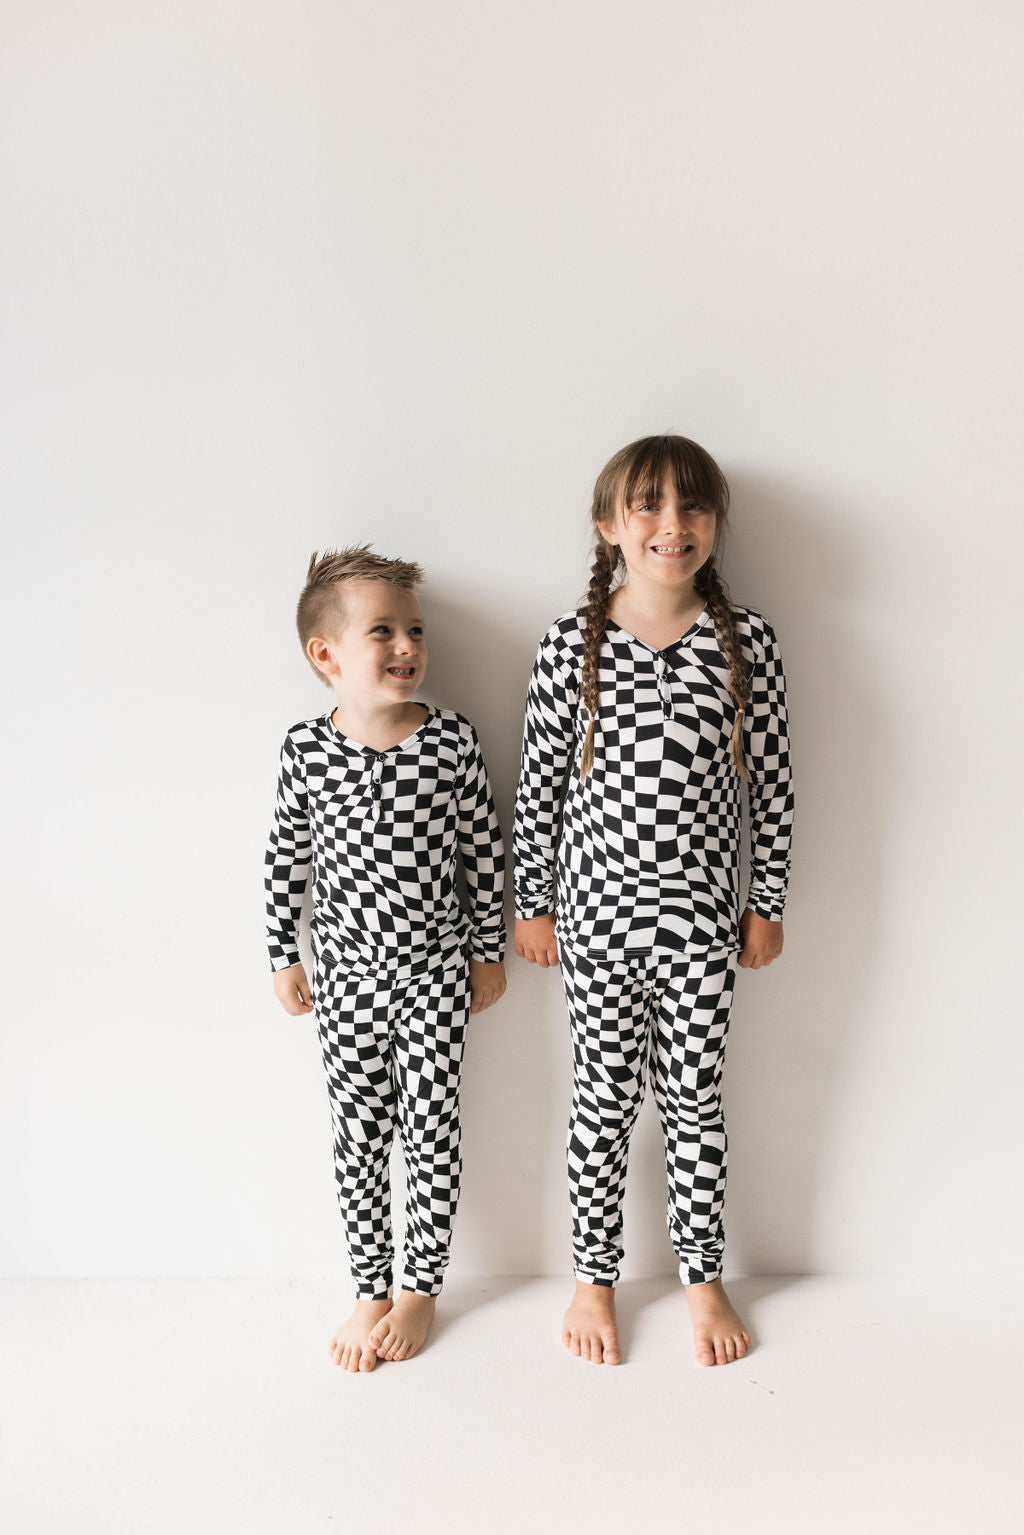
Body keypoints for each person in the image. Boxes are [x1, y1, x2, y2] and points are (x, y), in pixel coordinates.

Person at [513, 435, 794, 1367]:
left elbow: (775, 787)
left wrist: (767, 901)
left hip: (703, 922)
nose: (673, 526)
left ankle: (701, 1278)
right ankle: (594, 1278)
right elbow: (541, 785)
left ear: (715, 525)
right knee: (601, 1099)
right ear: (610, 527)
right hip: (594, 920)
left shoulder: (746, 641)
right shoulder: (572, 642)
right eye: (648, 507)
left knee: (693, 1101)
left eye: (693, 508)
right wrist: (534, 904)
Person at [266, 545, 507, 1372]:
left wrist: (486, 953)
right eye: (383, 631)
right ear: (326, 656)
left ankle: (421, 1288)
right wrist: (281, 956)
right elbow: (284, 862)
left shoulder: (450, 745)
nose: (407, 645)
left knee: (432, 1134)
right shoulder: (305, 751)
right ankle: (371, 1284)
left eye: (414, 629)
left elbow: (485, 854)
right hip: (346, 983)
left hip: (436, 976)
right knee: (361, 1134)